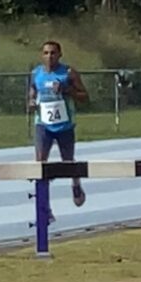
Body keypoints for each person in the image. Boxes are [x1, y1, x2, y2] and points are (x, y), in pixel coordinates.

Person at [30, 40, 88, 211]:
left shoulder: (68, 73)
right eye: (46, 53)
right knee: (41, 164)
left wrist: (67, 90)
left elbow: (84, 96)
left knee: (67, 162)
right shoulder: (36, 74)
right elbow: (31, 94)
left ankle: (76, 184)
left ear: (60, 55)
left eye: (53, 53)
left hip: (64, 125)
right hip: (43, 124)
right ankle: (44, 206)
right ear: (42, 55)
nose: (49, 57)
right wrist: (32, 102)